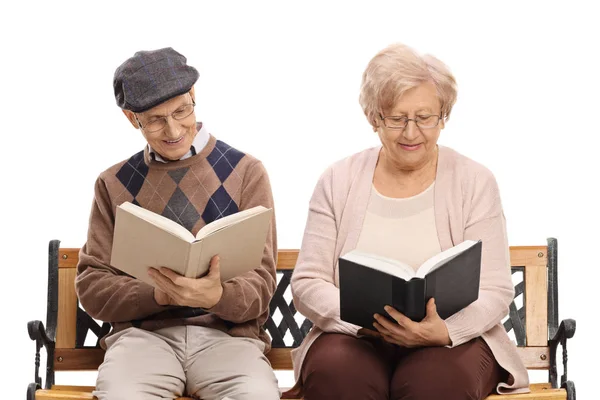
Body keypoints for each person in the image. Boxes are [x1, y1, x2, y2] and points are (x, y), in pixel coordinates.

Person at [287, 43, 530, 399]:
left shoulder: (475, 181)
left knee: (432, 384)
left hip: (451, 340)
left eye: (425, 117)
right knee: (337, 375)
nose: (412, 133)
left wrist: (444, 332)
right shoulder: (338, 180)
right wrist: (360, 322)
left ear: (443, 115)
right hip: (355, 335)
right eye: (397, 118)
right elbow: (308, 281)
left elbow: (495, 289)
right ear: (374, 117)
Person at [74, 47, 280, 400]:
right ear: (131, 118)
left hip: (227, 341)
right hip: (142, 341)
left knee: (256, 395)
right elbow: (92, 287)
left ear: (194, 96)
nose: (173, 129)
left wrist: (217, 295)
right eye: (155, 119)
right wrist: (157, 294)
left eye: (182, 110)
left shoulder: (247, 172)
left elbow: (261, 284)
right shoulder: (113, 184)